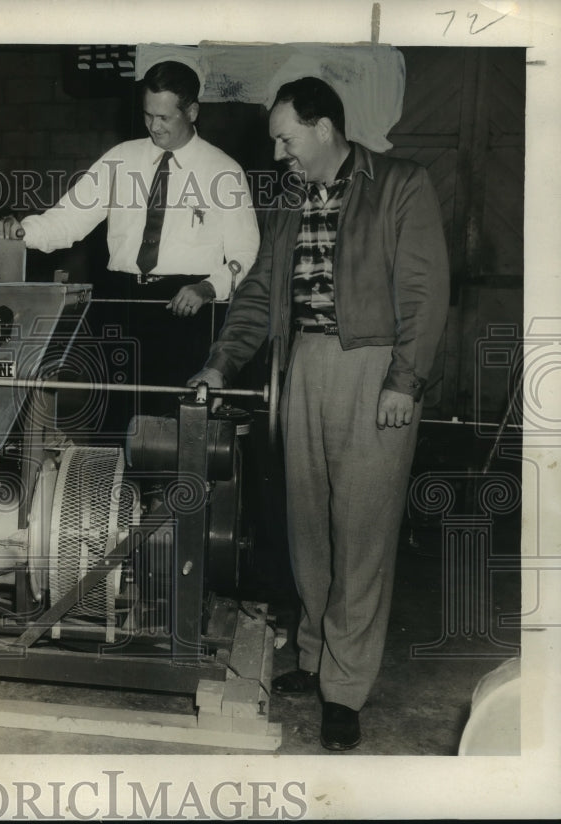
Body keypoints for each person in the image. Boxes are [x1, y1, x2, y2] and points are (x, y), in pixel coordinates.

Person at [190, 77, 449, 751]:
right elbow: (257, 295)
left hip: (375, 368)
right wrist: (221, 362)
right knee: (307, 523)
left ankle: (346, 689)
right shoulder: (291, 202)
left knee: (360, 531)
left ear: (324, 128)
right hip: (302, 362)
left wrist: (406, 381)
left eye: (286, 138)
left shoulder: (400, 183)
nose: (278, 153)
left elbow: (425, 293)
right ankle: (313, 655)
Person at [0, 60, 259, 317]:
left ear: (192, 112)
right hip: (121, 297)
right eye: (148, 115)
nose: (154, 126)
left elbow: (246, 254)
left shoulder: (225, 172)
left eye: (164, 117)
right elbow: (68, 219)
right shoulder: (119, 158)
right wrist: (23, 232)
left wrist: (210, 287)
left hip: (189, 304)